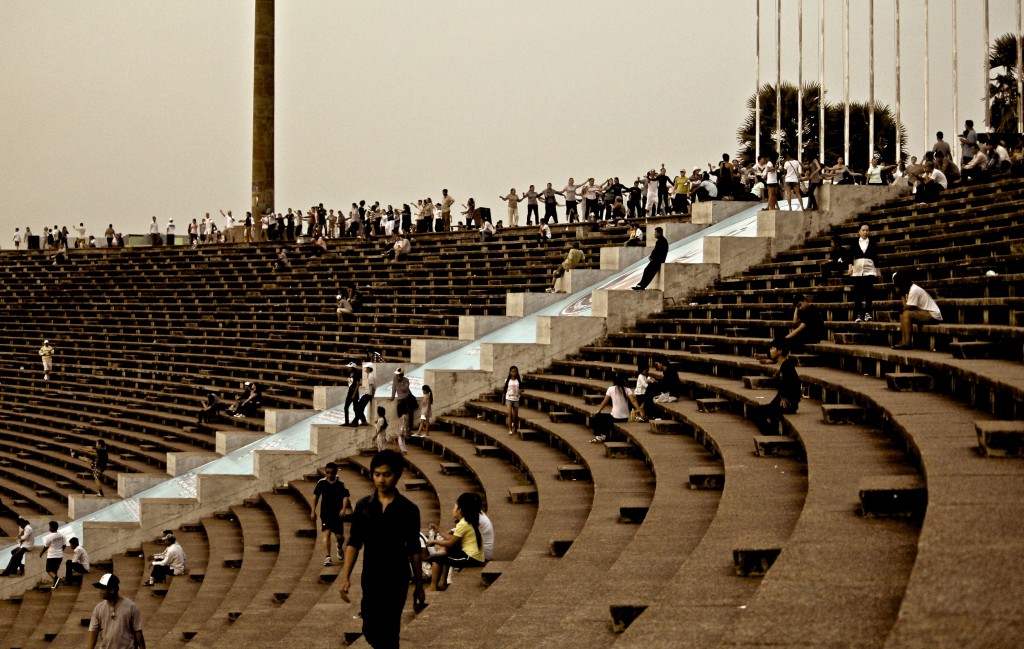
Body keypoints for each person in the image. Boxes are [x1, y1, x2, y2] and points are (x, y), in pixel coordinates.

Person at [340, 450, 426, 649]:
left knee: (390, 630)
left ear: (396, 475)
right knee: (371, 630)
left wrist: (419, 585)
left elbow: (414, 548)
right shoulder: (363, 506)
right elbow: (354, 542)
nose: (381, 479)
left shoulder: (409, 510)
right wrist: (346, 577)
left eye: (386, 475)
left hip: (397, 577)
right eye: (377, 474)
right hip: (371, 576)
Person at [424, 492, 485, 591]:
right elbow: (452, 538)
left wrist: (434, 541)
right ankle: (442, 582)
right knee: (444, 553)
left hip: (471, 559)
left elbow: (450, 542)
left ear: (460, 510)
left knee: (438, 558)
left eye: (454, 507)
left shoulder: (463, 524)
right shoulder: (466, 521)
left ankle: (433, 586)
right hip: (473, 556)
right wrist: (439, 531)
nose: (453, 510)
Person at [748, 338, 801, 434]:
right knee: (757, 411)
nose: (770, 350)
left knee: (755, 413)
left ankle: (771, 435)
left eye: (772, 348)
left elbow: (794, 383)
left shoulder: (787, 366)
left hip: (787, 404)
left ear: (780, 351)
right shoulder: (785, 364)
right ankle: (771, 433)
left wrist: (785, 396)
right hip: (782, 402)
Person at [88, 574, 146, 649]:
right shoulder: (98, 608)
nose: (100, 591)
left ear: (112, 590)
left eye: (103, 588)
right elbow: (93, 631)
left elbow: (138, 632)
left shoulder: (131, 607)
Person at [313, 462, 352, 567]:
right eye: (328, 473)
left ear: (335, 472)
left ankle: (339, 547)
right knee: (327, 533)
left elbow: (345, 497)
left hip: (337, 513)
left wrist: (343, 509)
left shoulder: (340, 483)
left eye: (332, 473)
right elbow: (315, 496)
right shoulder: (321, 482)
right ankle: (328, 557)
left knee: (340, 537)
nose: (330, 475)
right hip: (325, 512)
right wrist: (313, 510)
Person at [891, 272, 943, 350]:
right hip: (924, 313)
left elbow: (907, 307)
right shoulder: (909, 291)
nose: (896, 288)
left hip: (933, 315)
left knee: (906, 314)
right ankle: (903, 341)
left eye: (897, 286)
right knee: (902, 314)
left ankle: (907, 343)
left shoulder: (914, 290)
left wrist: (901, 295)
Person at [590, 375, 641, 443]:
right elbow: (633, 401)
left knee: (598, 416)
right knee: (607, 418)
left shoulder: (611, 389)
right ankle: (603, 435)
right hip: (625, 417)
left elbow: (605, 401)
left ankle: (600, 435)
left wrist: (599, 410)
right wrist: (640, 410)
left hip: (615, 417)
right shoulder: (627, 390)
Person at [848, 223, 881, 322]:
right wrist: (850, 267)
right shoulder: (854, 242)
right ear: (859, 231)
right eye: (863, 230)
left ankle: (867, 313)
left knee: (868, 291)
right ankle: (858, 314)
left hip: (869, 269)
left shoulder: (872, 242)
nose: (865, 232)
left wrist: (878, 270)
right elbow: (850, 256)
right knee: (857, 292)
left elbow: (875, 257)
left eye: (867, 230)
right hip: (857, 269)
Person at [632, 226, 668, 290]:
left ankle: (642, 285)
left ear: (659, 233)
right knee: (647, 270)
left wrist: (652, 257)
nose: (654, 234)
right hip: (657, 260)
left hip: (658, 261)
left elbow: (657, 251)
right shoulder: (661, 240)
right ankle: (641, 284)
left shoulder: (661, 241)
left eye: (656, 233)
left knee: (649, 271)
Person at [40, 520, 66, 589]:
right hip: (59, 556)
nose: (49, 528)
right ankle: (55, 585)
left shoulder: (48, 537)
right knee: (54, 571)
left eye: (49, 527)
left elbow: (46, 547)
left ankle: (57, 578)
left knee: (48, 570)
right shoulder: (62, 535)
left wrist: (41, 553)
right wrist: (60, 551)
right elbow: (64, 545)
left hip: (51, 556)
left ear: (51, 527)